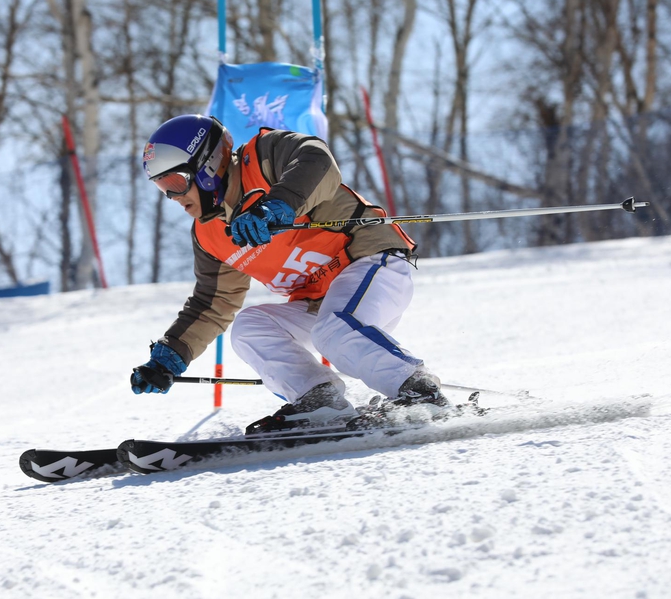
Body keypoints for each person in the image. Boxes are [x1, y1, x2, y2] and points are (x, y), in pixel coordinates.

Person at [130, 114, 449, 435]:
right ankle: (319, 401)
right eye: (162, 188)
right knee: (248, 328)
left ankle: (419, 392)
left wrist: (278, 203)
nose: (173, 198)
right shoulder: (209, 233)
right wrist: (170, 354)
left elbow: (318, 160)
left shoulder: (263, 157)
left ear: (207, 165)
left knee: (332, 330)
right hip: (319, 301)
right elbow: (213, 302)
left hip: (371, 260)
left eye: (174, 183)